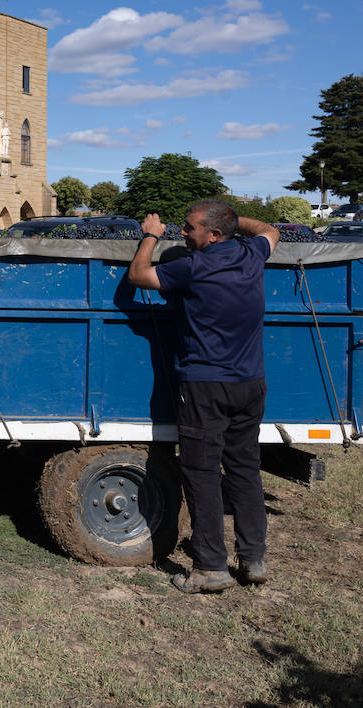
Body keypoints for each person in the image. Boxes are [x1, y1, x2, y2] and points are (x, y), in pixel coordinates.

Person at [127, 200, 280, 594]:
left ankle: (212, 567)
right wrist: (231, 221)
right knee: (245, 469)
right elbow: (270, 230)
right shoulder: (251, 255)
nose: (182, 232)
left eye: (190, 228)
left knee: (202, 474)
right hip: (251, 384)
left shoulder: (194, 267)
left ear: (213, 236)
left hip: (205, 387)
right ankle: (253, 559)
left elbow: (139, 276)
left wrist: (149, 235)